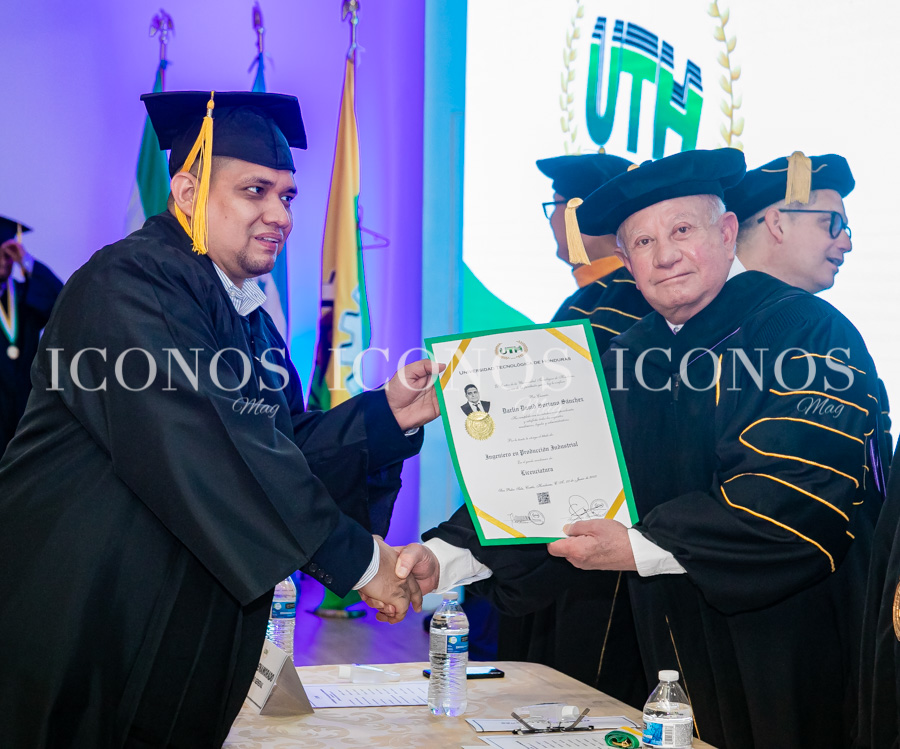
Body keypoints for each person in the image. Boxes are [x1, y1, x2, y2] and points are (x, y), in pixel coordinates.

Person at [388, 149, 887, 749]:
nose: (666, 255)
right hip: (670, 645)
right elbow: (556, 474)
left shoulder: (804, 332)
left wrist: (639, 545)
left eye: (683, 231)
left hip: (789, 640)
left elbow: (793, 493)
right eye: (644, 243)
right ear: (626, 261)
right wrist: (445, 557)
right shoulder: (626, 355)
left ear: (728, 232)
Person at [0, 91, 437, 748]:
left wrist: (383, 416)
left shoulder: (247, 314)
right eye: (255, 190)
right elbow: (211, 448)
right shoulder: (131, 282)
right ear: (186, 191)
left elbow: (279, 443)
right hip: (89, 616)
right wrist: (362, 560)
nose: (279, 214)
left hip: (180, 618)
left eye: (287, 196)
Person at [493, 153, 651, 706]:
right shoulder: (595, 298)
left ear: (579, 212)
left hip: (599, 542)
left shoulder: (616, 303)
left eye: (555, 206)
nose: (551, 220)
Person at [725, 151, 892, 455]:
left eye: (846, 229)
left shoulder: (831, 341)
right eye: (831, 223)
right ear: (777, 224)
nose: (846, 243)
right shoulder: (683, 319)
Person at [0, 217, 63, 454]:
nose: (3, 260)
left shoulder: (24, 296)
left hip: (23, 410)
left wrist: (26, 261)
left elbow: (61, 302)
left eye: (7, 253)